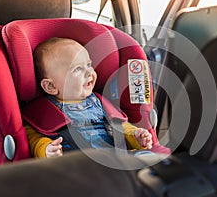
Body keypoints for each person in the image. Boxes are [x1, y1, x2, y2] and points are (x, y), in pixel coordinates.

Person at [25, 37, 153, 158]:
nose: (89, 73)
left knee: (148, 157)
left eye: (89, 65)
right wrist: (46, 149)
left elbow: (120, 126)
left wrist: (135, 136)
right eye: (77, 69)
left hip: (114, 159)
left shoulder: (99, 102)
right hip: (78, 166)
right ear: (50, 86)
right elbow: (33, 138)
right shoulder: (43, 112)